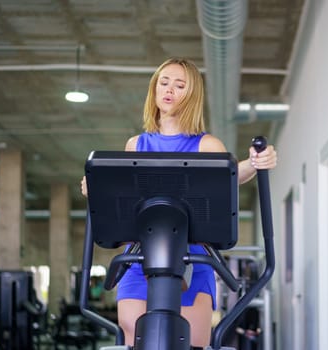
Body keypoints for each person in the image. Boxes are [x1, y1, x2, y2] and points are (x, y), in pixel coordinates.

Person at [80, 57, 277, 348]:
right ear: (154, 89)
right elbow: (127, 199)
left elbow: (227, 179)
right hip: (139, 261)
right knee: (135, 342)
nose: (169, 89)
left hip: (192, 262)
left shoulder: (207, 145)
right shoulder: (136, 145)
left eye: (180, 85)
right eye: (164, 82)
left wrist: (255, 163)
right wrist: (97, 188)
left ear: (192, 94)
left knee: (190, 344)